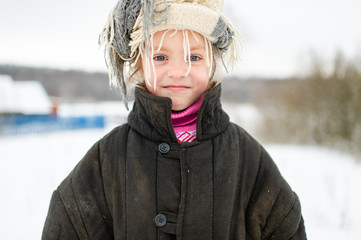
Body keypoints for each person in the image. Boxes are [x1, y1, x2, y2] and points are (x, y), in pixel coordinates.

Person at [42, 0, 307, 239]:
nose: (179, 71)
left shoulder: (247, 157)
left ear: (213, 64)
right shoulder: (107, 160)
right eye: (160, 57)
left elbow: (285, 228)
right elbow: (69, 226)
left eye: (194, 56)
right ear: (138, 64)